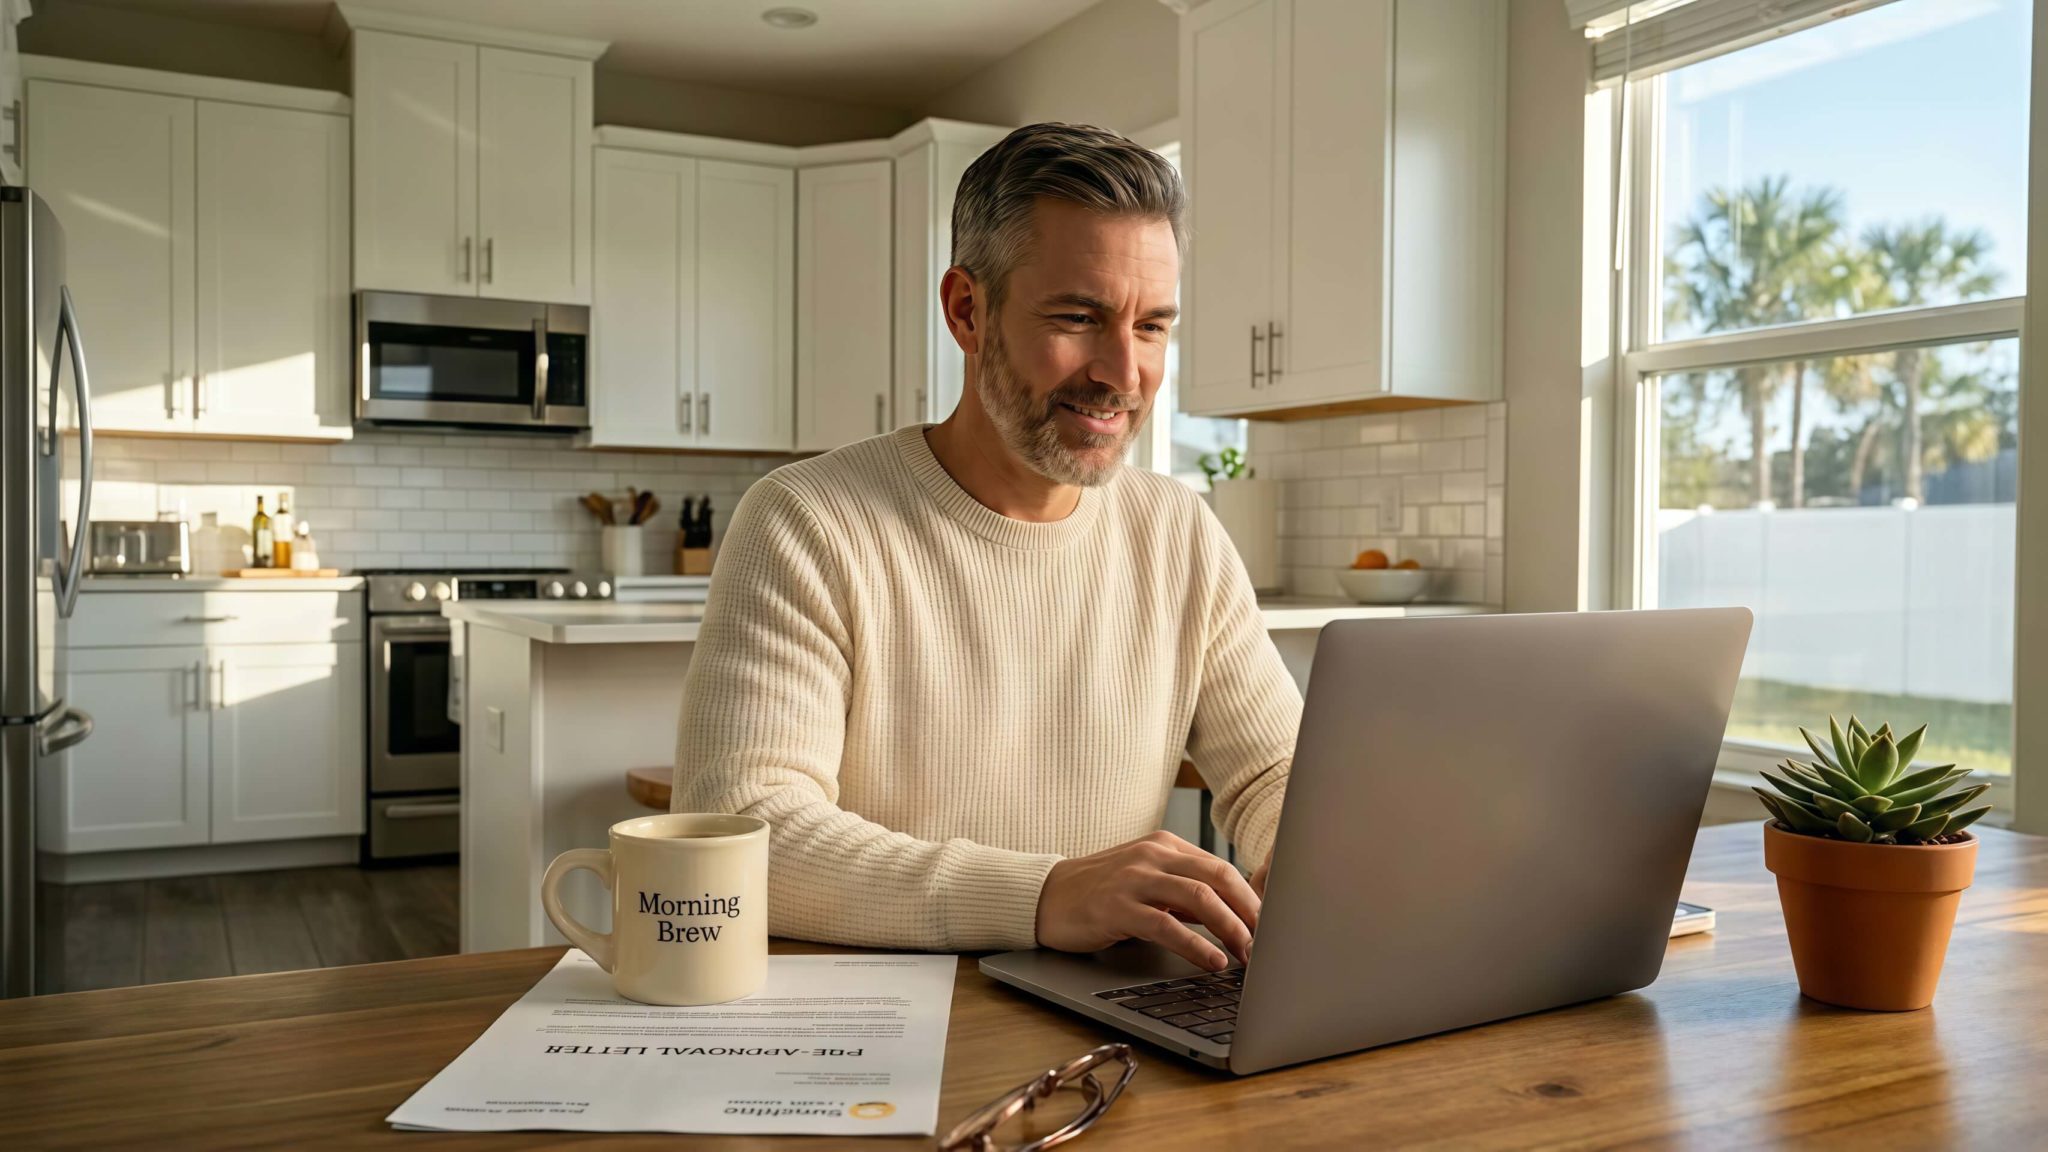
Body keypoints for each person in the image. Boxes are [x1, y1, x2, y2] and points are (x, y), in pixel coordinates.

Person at [673, 123, 1300, 972]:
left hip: (1105, 1011)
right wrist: (1042, 895)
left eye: (1152, 327)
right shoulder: (807, 521)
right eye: (1079, 318)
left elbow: (1275, 773)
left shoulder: (1179, 533)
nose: (1124, 371)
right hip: (874, 1020)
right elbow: (745, 833)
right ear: (968, 311)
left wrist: (1307, 860)